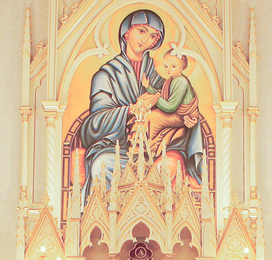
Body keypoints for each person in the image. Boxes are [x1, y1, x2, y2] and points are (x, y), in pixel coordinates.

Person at [79, 9, 203, 199]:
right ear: (126, 33)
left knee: (169, 166)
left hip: (158, 148)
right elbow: (93, 125)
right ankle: (104, 218)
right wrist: (130, 110)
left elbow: (179, 104)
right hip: (118, 149)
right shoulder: (106, 75)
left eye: (153, 36)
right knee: (102, 165)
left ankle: (167, 218)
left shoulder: (162, 72)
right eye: (142, 31)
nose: (146, 39)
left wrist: (189, 117)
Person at [142, 43, 202, 161]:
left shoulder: (181, 82)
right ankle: (147, 147)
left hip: (181, 117)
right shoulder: (173, 80)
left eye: (173, 66)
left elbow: (170, 107)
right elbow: (163, 96)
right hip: (176, 114)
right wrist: (148, 87)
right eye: (166, 66)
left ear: (182, 67)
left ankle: (149, 149)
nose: (168, 70)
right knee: (147, 115)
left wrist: (156, 99)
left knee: (153, 117)